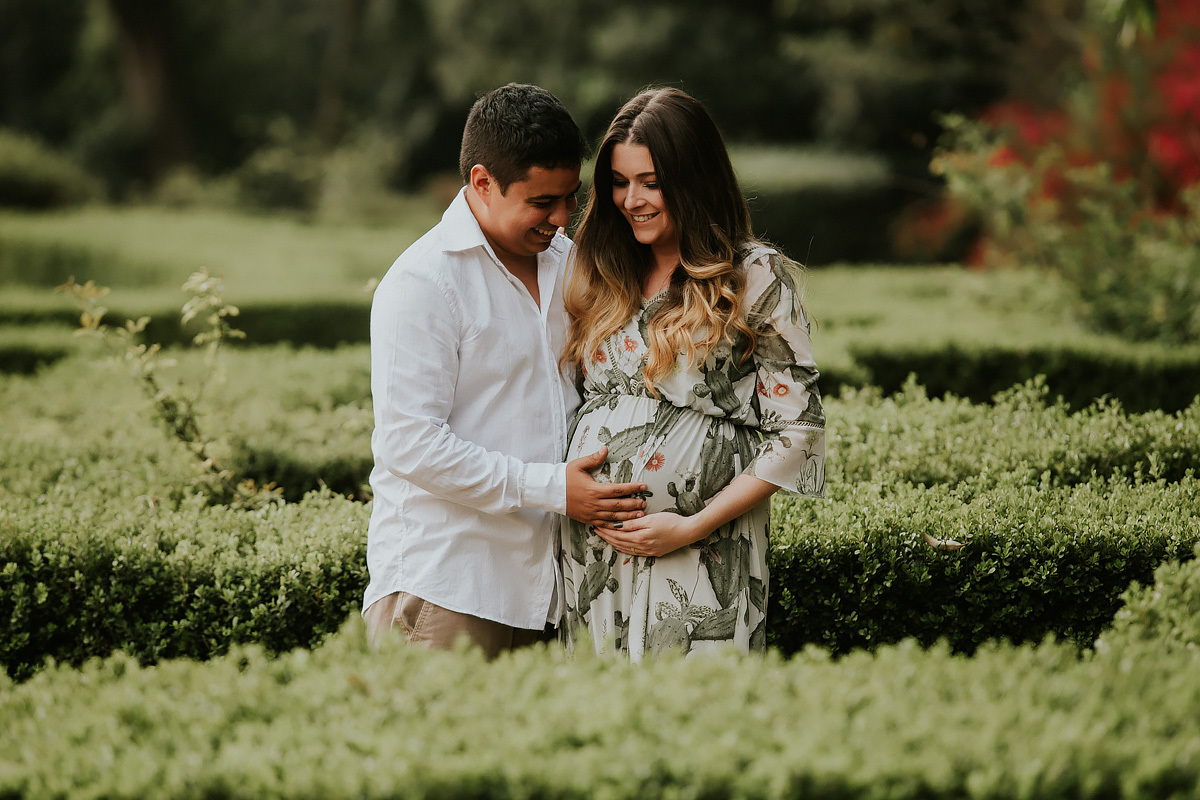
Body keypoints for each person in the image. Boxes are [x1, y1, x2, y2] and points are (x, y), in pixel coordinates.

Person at [362, 83, 648, 659]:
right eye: (542, 203)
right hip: (447, 587)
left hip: (553, 591)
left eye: (570, 197)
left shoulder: (570, 263)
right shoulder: (424, 283)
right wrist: (553, 489)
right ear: (482, 184)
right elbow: (409, 445)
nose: (563, 218)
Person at [560, 87, 826, 660]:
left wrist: (690, 526)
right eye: (619, 182)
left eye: (651, 182)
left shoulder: (753, 276)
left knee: (692, 723)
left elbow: (798, 432)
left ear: (694, 179)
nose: (632, 200)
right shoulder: (600, 267)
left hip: (703, 552)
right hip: (592, 554)